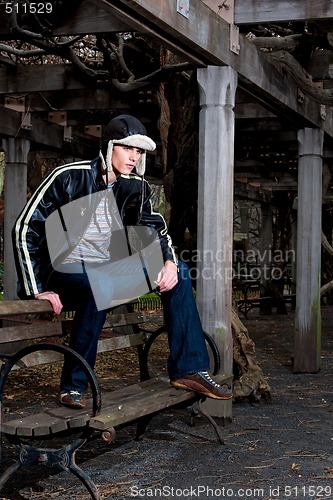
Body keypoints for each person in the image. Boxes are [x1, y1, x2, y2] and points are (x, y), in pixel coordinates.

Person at [12, 114, 233, 408]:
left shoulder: (135, 188)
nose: (133, 157)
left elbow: (156, 230)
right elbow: (25, 227)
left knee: (178, 269)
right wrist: (37, 287)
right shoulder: (69, 176)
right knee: (98, 284)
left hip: (103, 274)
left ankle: (189, 369)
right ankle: (73, 385)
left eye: (139, 151)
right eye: (128, 148)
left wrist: (166, 262)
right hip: (62, 276)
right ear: (110, 145)